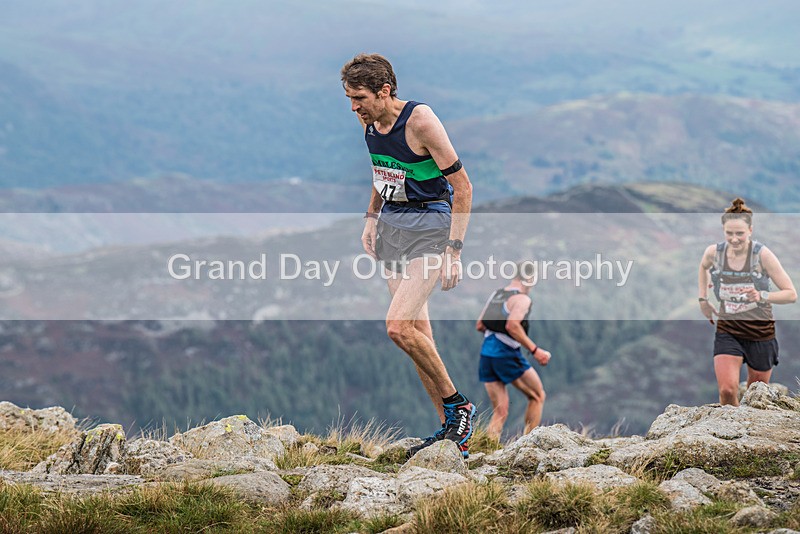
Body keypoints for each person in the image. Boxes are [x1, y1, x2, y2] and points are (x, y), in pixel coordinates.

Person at [341, 53, 475, 457]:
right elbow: (382, 168)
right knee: (418, 337)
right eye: (348, 98)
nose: (353, 106)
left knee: (398, 327)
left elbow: (464, 188)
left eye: (359, 97)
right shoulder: (367, 119)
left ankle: (459, 407)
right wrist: (371, 217)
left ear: (385, 91)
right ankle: (453, 440)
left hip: (432, 225)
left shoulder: (421, 121)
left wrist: (454, 251)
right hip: (393, 227)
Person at [698, 197, 796, 406]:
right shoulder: (715, 253)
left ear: (750, 230)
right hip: (728, 329)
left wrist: (763, 295)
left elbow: (791, 294)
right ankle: (729, 432)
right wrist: (703, 300)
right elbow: (703, 267)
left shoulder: (763, 256)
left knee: (755, 396)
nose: (734, 239)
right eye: (729, 233)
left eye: (740, 233)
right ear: (723, 231)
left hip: (760, 333)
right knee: (726, 390)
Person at [476, 261, 551, 440]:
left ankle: (487, 448)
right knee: (537, 395)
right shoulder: (522, 299)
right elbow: (512, 325)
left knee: (500, 411)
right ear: (530, 278)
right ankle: (529, 445)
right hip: (507, 353)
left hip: (486, 354)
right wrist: (535, 350)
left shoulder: (497, 294)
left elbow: (480, 325)